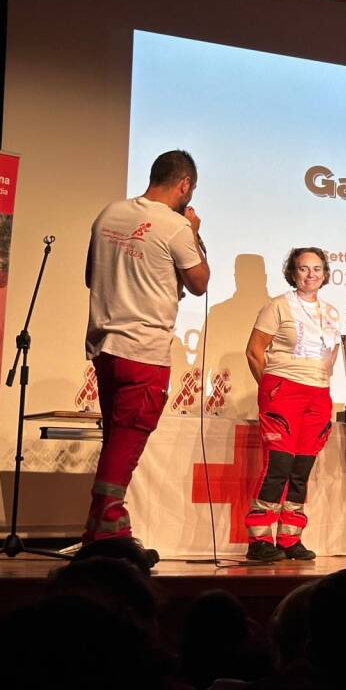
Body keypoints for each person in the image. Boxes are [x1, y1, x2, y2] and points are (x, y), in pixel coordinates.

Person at [82, 149, 208, 561]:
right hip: (144, 349)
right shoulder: (175, 226)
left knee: (116, 439)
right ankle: (102, 533)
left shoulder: (110, 214)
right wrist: (195, 232)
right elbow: (200, 282)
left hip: (105, 344)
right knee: (128, 437)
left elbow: (90, 275)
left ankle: (113, 531)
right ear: (184, 186)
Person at [242, 247, 340, 561]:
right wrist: (272, 388)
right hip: (284, 390)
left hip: (318, 395)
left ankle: (289, 538)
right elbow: (254, 351)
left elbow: (331, 359)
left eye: (316, 269)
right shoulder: (278, 307)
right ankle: (259, 539)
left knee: (301, 469)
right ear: (293, 272)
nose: (310, 275)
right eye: (303, 268)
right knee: (279, 467)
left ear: (324, 274)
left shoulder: (332, 312)